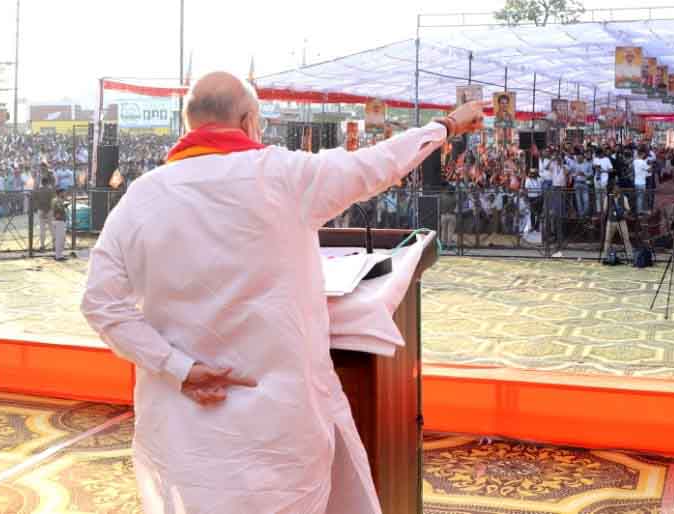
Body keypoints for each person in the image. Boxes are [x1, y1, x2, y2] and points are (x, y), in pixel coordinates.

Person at [82, 72, 484, 514]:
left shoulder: (141, 197)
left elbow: (100, 304)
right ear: (250, 119)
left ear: (188, 125)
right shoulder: (283, 175)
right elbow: (378, 164)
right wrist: (447, 125)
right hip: (278, 431)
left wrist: (178, 367)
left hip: (185, 428)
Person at [602, 185, 633, 260]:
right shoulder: (608, 198)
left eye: (617, 189)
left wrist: (624, 213)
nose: (615, 191)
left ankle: (630, 256)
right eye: (614, 189)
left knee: (626, 238)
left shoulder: (624, 198)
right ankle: (605, 256)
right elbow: (605, 209)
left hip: (621, 220)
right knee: (607, 239)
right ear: (612, 190)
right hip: (611, 221)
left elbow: (628, 209)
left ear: (619, 190)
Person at [34, 176, 57, 253]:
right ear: (47, 183)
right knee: (52, 228)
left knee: (42, 229)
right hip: (49, 210)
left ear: (42, 182)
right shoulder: (50, 190)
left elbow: (35, 201)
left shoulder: (38, 190)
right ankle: (54, 246)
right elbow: (53, 201)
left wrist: (41, 209)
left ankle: (42, 246)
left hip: (41, 210)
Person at [51, 187, 68, 261]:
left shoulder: (57, 200)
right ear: (60, 193)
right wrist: (64, 205)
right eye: (64, 192)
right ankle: (58, 256)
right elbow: (59, 209)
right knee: (59, 239)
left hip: (59, 220)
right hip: (59, 221)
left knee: (61, 239)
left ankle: (59, 255)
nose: (65, 194)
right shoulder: (57, 200)